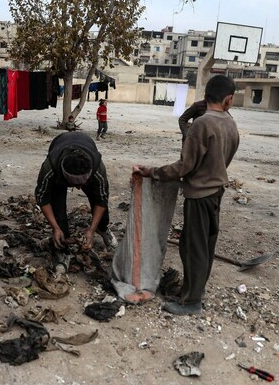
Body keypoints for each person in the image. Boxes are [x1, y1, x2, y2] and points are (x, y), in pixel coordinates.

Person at [133, 75, 239, 315]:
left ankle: (191, 302)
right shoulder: (230, 123)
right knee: (205, 246)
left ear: (206, 96)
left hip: (199, 195)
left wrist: (153, 172)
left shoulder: (202, 124)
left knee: (192, 248)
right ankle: (195, 291)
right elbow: (226, 159)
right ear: (228, 99)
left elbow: (185, 166)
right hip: (216, 192)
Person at [35, 132, 118, 273]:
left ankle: (102, 229)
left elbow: (102, 200)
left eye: (82, 184)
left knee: (98, 201)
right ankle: (62, 249)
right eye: (74, 184)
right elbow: (43, 199)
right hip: (59, 147)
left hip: (86, 144)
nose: (79, 188)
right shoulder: (50, 168)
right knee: (58, 209)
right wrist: (55, 227)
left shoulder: (98, 169)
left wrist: (91, 229)